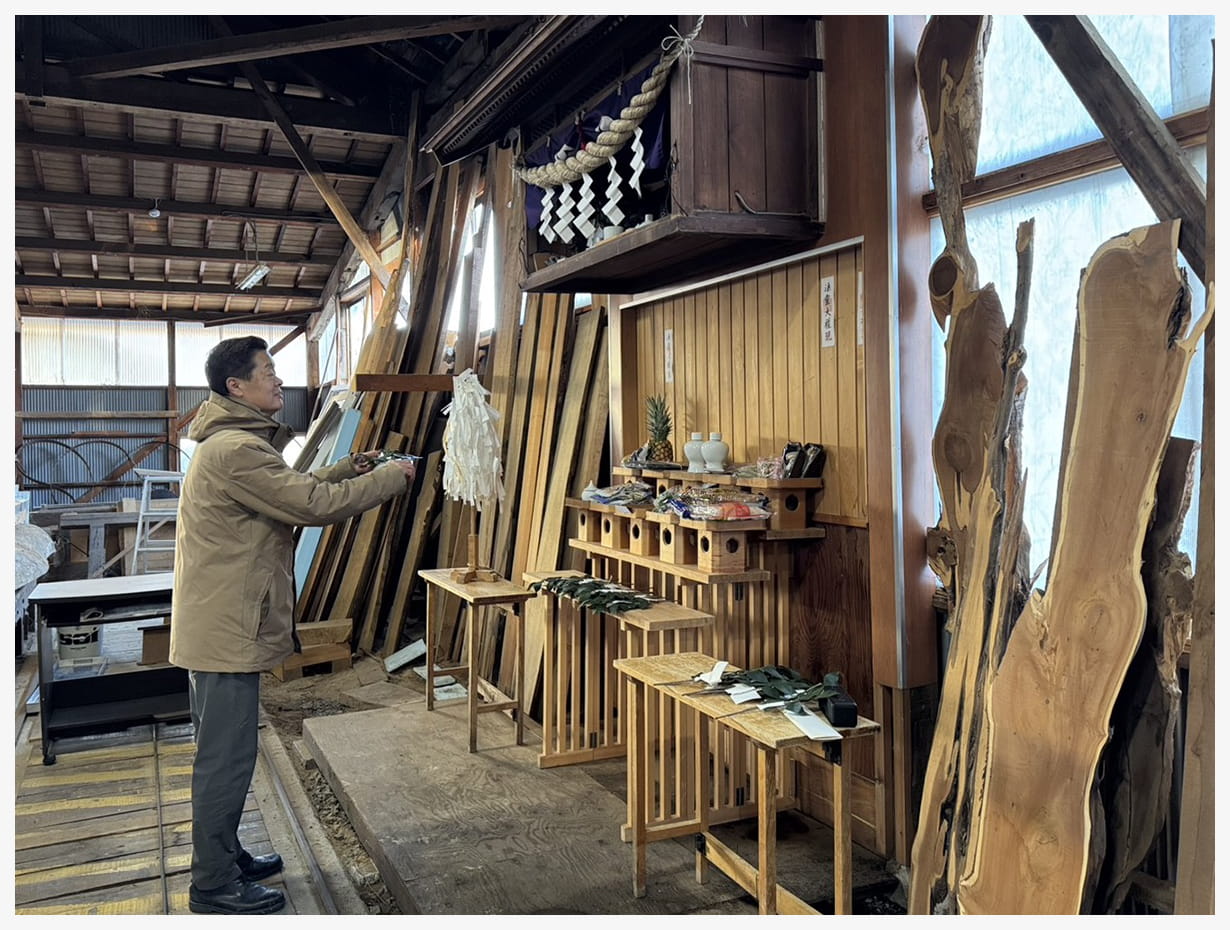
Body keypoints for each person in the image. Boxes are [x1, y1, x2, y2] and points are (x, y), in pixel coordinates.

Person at [170, 336, 416, 915]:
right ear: (237, 387)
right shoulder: (235, 449)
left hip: (220, 625)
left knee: (226, 753)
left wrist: (344, 467)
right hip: (226, 631)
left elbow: (291, 491)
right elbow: (309, 505)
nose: (278, 382)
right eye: (268, 372)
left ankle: (225, 857)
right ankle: (212, 885)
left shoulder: (232, 443)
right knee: (225, 760)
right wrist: (391, 478)